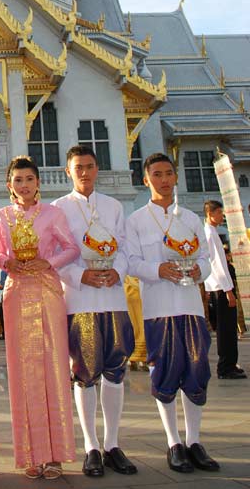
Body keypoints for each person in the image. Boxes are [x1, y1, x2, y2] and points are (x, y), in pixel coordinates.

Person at [127, 153, 218, 473]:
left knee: (196, 370)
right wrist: (158, 269)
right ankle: (173, 442)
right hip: (158, 308)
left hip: (190, 305)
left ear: (175, 176)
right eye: (157, 174)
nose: (163, 179)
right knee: (165, 371)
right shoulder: (136, 220)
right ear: (145, 179)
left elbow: (206, 259)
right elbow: (131, 262)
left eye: (168, 173)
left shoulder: (190, 218)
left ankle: (194, 441)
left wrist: (198, 271)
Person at [53, 145, 136, 479]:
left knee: (115, 371)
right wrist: (78, 275)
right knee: (84, 373)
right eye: (78, 168)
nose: (84, 173)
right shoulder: (58, 209)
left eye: (89, 166)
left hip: (113, 298)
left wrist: (118, 270)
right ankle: (90, 446)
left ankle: (112, 444)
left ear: (97, 169)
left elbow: (125, 249)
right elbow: (55, 255)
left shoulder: (114, 206)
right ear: (68, 172)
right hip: (81, 300)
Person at [0, 155, 79, 480]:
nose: (24, 185)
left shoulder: (53, 214)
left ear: (38, 182)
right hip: (16, 291)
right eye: (18, 180)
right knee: (22, 371)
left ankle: (55, 454)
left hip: (46, 290)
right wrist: (8, 263)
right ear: (9, 185)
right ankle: (30, 451)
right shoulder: (2, 216)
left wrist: (48, 263)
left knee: (54, 368)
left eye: (29, 179)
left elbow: (71, 248)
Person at [203, 200, 246, 380]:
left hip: (218, 287)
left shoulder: (212, 232)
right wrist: (229, 291)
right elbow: (218, 266)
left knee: (227, 328)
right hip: (221, 289)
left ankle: (229, 364)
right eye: (219, 213)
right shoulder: (210, 234)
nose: (222, 216)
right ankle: (226, 367)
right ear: (210, 214)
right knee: (226, 329)